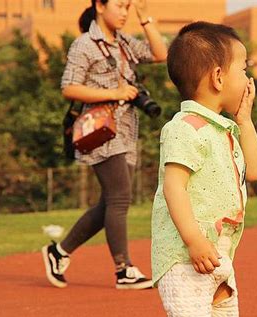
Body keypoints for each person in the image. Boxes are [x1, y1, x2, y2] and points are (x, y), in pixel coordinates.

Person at [151, 22, 257, 317]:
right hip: (186, 255)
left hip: (218, 254)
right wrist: (193, 240)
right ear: (218, 77)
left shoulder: (223, 130)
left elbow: (254, 171)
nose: (247, 79)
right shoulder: (184, 128)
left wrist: (245, 120)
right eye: (243, 69)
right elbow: (174, 187)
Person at [41, 0, 167, 290]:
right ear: (100, 5)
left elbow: (160, 54)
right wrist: (116, 92)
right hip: (99, 130)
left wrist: (146, 19)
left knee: (109, 202)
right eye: (120, 6)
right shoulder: (84, 44)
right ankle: (124, 270)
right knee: (120, 198)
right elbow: (69, 87)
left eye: (127, 7)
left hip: (126, 130)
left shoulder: (124, 42)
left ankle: (58, 253)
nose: (124, 13)